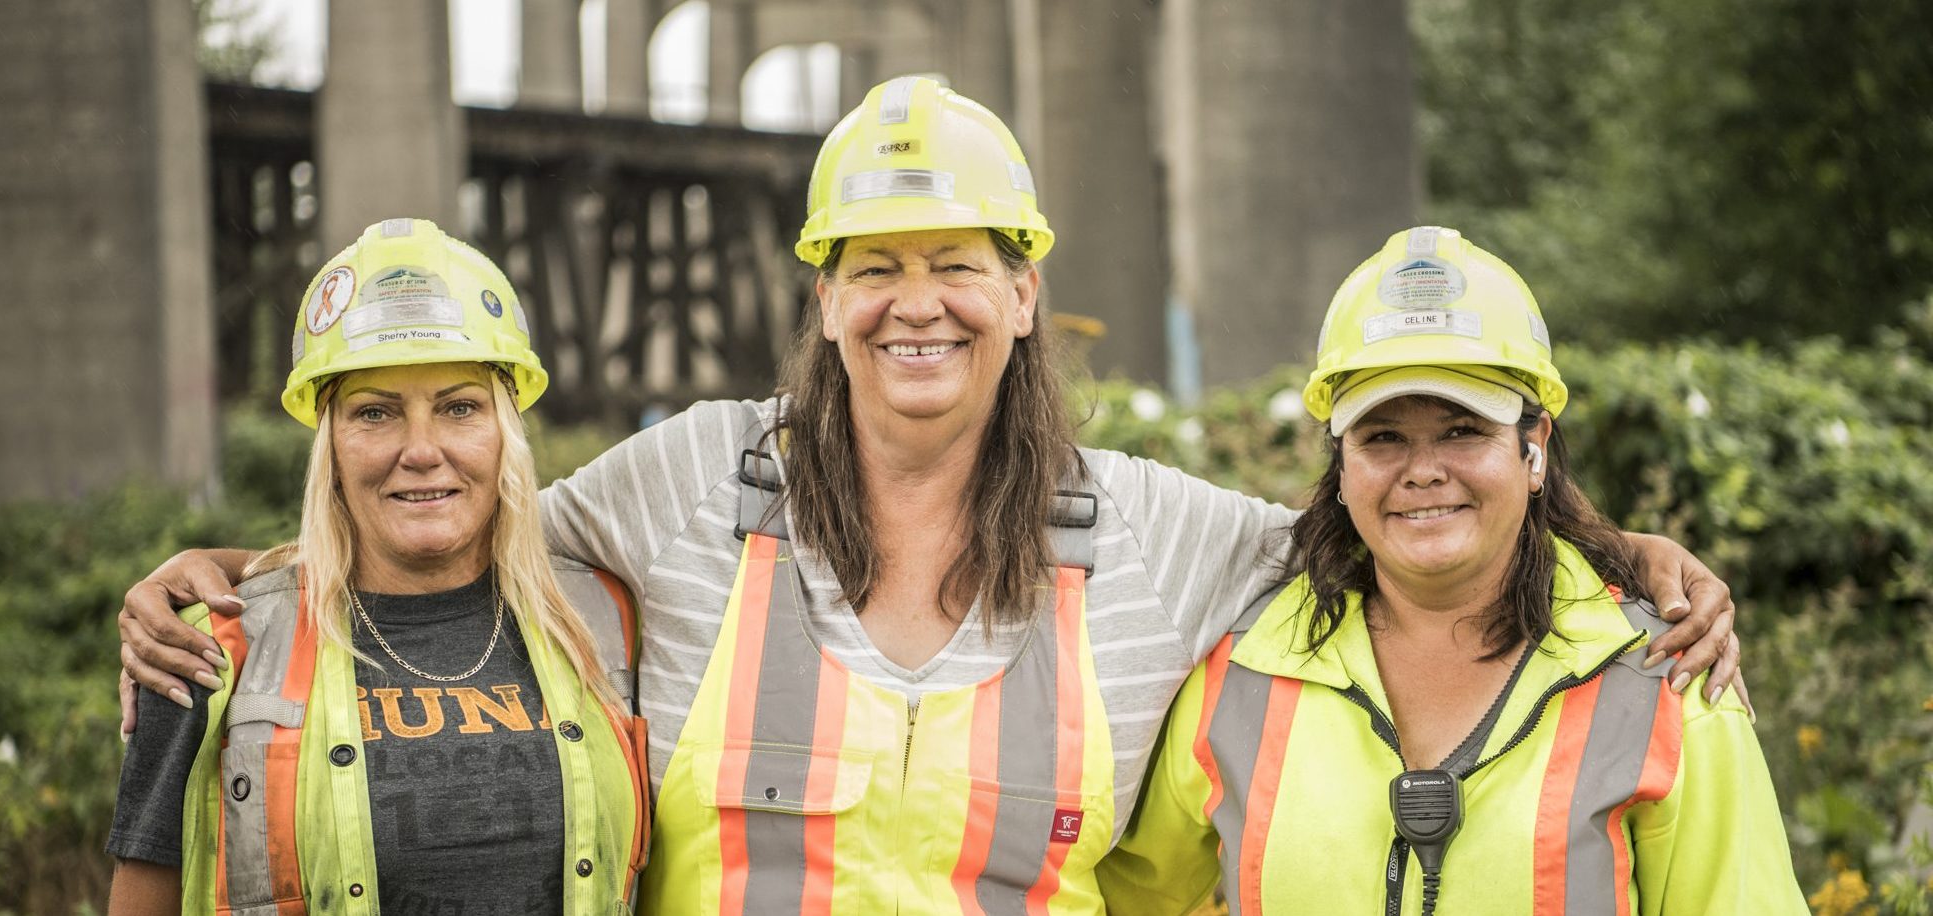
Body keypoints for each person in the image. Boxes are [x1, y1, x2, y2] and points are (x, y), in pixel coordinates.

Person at [117, 81, 1739, 913]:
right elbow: (446, 509)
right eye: (876, 268)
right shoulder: (688, 483)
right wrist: (233, 577)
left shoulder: (1163, 541)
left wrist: (1621, 552)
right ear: (821, 297)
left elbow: (1403, 531)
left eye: (958, 263)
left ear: (1026, 291)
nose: (918, 305)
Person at [1097, 227, 1802, 915]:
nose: (1424, 471)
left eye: (1464, 430)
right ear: (1341, 469)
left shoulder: (1670, 679)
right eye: (1383, 437)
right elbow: (1120, 900)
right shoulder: (1241, 677)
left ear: (1534, 450)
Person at [106, 219, 649, 915]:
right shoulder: (209, 651)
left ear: (506, 434)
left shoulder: (606, 619)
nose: (421, 450)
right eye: (375, 413)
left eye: (459, 408)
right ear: (329, 445)